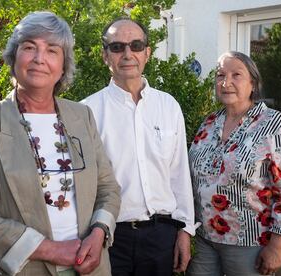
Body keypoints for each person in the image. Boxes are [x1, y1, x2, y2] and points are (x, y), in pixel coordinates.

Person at [0, 11, 120, 276]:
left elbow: (108, 189)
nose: (40, 59)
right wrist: (51, 249)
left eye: (52, 50)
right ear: (14, 57)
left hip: (90, 267)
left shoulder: (81, 116)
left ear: (63, 66)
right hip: (22, 269)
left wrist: (99, 234)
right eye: (30, 47)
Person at [81, 17, 195, 276]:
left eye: (135, 45)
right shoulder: (87, 111)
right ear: (105, 56)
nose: (127, 54)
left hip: (161, 236)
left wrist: (185, 231)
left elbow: (179, 174)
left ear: (147, 53)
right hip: (110, 238)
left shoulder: (169, 106)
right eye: (117, 47)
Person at [187, 51, 281, 276]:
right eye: (220, 75)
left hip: (249, 242)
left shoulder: (273, 124)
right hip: (203, 237)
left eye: (236, 75)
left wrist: (277, 247)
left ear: (253, 83)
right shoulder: (210, 122)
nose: (226, 82)